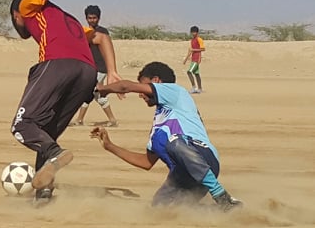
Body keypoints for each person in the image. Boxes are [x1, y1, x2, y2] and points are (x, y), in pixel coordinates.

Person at [9, 0, 122, 204]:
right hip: (86, 73)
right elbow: (101, 37)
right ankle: (44, 192)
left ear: (16, 15)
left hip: (59, 65)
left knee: (22, 125)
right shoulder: (69, 20)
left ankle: (56, 154)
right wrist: (113, 71)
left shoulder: (28, 6)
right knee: (45, 133)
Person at [90, 61, 242, 212]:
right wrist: (109, 146)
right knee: (160, 209)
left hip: (204, 158)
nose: (140, 95)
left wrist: (103, 89)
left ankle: (222, 196)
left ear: (156, 81)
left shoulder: (174, 92)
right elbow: (146, 162)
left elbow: (126, 87)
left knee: (172, 140)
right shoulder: (158, 125)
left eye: (142, 86)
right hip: (184, 177)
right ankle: (229, 213)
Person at [72, 5, 118, 127]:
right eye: (90, 18)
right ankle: (81, 120)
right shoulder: (85, 33)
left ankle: (81, 120)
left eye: (94, 18)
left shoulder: (102, 33)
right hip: (91, 68)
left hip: (101, 68)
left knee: (91, 93)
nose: (92, 20)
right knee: (92, 94)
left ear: (99, 18)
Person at [183, 25, 205, 94]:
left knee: (189, 72)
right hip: (193, 58)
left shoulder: (199, 39)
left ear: (197, 32)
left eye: (194, 32)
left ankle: (194, 87)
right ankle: (200, 88)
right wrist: (186, 59)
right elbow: (191, 50)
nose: (193, 33)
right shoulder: (192, 40)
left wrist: (194, 49)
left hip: (197, 59)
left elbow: (203, 49)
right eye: (192, 32)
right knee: (196, 74)